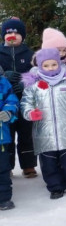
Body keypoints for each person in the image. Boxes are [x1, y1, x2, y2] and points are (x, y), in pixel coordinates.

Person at [21, 48, 66, 199]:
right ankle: (55, 186)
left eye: (53, 64)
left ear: (59, 63)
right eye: (46, 65)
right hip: (44, 133)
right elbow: (26, 103)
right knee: (48, 163)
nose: (51, 68)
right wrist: (30, 113)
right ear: (39, 66)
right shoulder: (33, 84)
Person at [0, 18, 36, 178]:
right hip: (5, 102)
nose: (12, 35)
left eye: (16, 32)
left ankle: (28, 165)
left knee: (26, 133)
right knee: (7, 134)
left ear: (22, 35)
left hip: (24, 100)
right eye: (8, 32)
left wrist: (24, 82)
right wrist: (4, 75)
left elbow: (35, 74)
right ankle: (7, 166)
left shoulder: (29, 54)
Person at [0, 70, 20, 210]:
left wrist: (8, 111)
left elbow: (11, 100)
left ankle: (3, 198)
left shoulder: (2, 83)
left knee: (2, 169)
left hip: (1, 137)